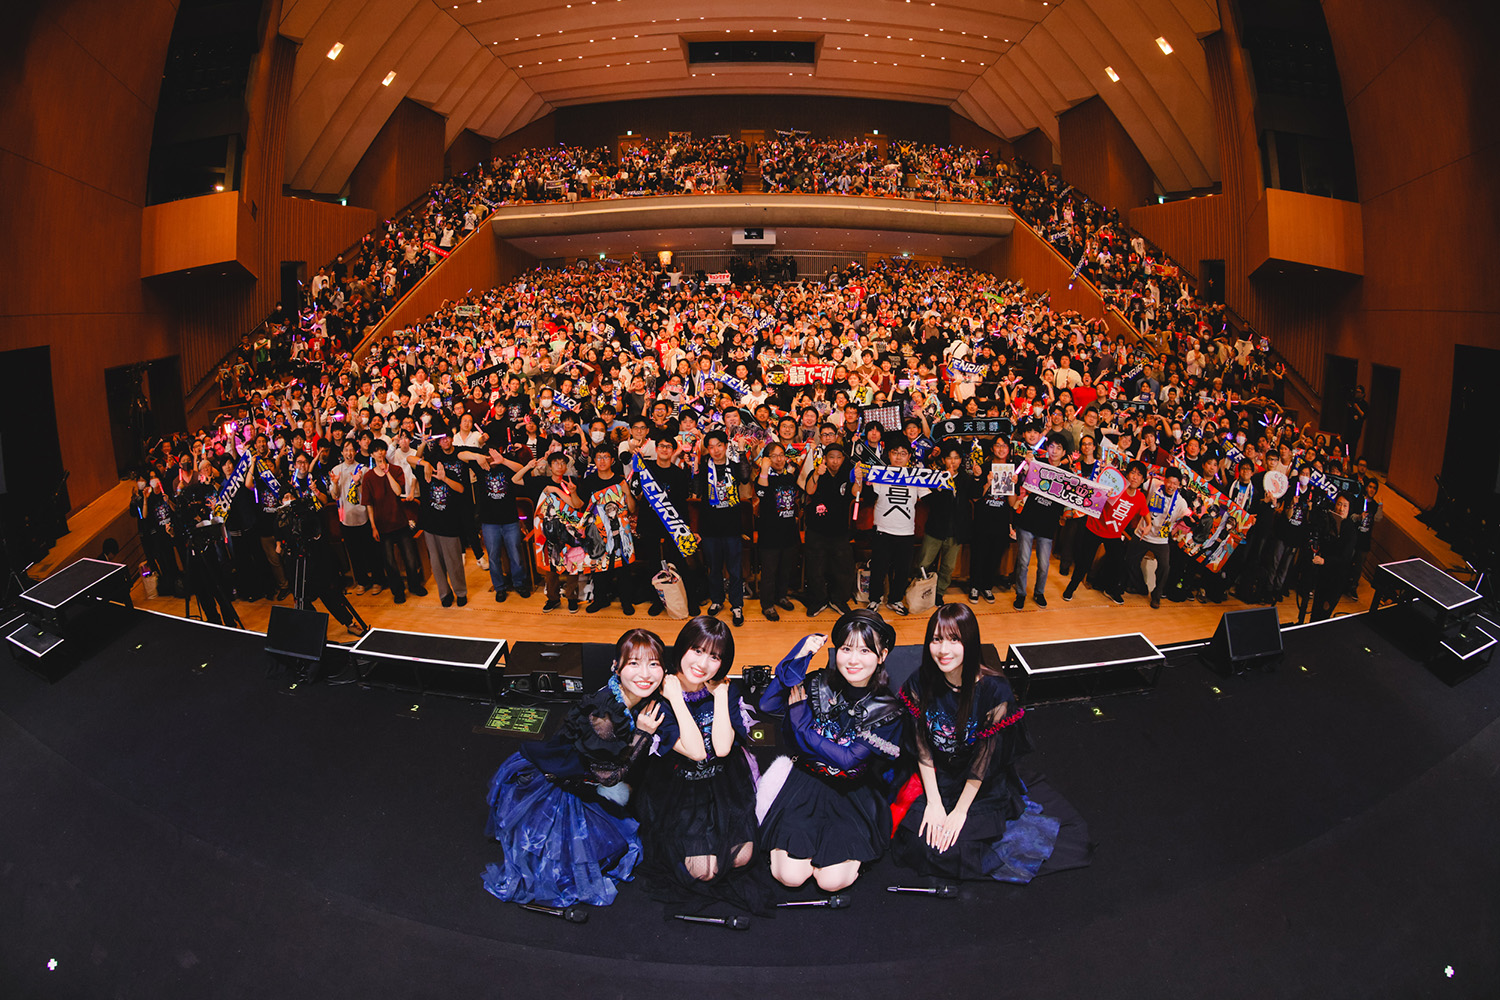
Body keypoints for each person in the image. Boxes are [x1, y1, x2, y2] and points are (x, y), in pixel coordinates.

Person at [892, 604, 1090, 882]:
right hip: (938, 775)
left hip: (978, 782)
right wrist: (934, 803)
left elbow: (983, 760)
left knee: (956, 846)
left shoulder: (995, 690)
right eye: (936, 639)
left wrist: (960, 811)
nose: (943, 650)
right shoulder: (920, 681)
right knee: (919, 839)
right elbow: (922, 747)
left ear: (970, 643)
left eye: (954, 639)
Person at [482, 628, 668, 907]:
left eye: (654, 664)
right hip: (562, 782)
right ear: (616, 667)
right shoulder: (604, 714)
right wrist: (641, 735)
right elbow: (608, 776)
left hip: (592, 776)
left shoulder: (636, 697)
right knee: (579, 861)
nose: (645, 674)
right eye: (634, 663)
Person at [757, 610, 905, 892]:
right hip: (806, 782)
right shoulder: (818, 683)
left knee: (831, 882)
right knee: (790, 876)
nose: (853, 659)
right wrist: (800, 655)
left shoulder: (888, 710)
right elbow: (768, 704)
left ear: (882, 655)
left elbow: (848, 760)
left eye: (864, 650)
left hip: (851, 792)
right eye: (846, 649)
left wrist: (803, 728)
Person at [633, 616, 762, 906]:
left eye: (715, 656)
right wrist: (677, 699)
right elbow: (696, 751)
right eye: (698, 650)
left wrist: (721, 695)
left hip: (721, 784)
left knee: (742, 857)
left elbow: (722, 748)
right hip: (680, 789)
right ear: (682, 647)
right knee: (704, 872)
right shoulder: (660, 693)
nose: (703, 664)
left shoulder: (722, 689)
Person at [694, 429, 751, 627]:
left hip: (732, 526)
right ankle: (717, 600)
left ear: (726, 446)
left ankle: (737, 605)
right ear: (707, 450)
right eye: (711, 447)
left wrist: (742, 451)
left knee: (735, 569)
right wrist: (694, 466)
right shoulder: (703, 467)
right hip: (710, 526)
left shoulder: (734, 465)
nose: (716, 450)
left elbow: (745, 477)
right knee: (714, 568)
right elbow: (696, 491)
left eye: (719, 445)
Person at [1012, 433, 1069, 610]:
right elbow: (1020, 476)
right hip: (1028, 520)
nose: (1054, 451)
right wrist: (1026, 463)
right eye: (1051, 446)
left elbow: (1073, 499)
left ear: (1064, 452)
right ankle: (1020, 594)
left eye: (1059, 448)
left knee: (1044, 565)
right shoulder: (1038, 464)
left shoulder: (1069, 475)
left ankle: (1039, 592)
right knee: (1023, 562)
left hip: (1048, 525)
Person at [799, 441, 855, 617]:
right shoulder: (817, 472)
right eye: (831, 457)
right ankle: (818, 600)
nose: (835, 461)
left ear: (843, 459)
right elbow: (809, 490)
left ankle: (838, 600)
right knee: (816, 567)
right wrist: (816, 473)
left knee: (842, 567)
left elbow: (855, 493)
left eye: (838, 457)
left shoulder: (848, 474)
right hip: (816, 529)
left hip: (840, 529)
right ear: (825, 458)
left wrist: (859, 479)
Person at [754, 442, 801, 621]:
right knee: (769, 572)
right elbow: (761, 492)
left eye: (781, 455)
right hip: (770, 533)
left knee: (785, 569)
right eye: (774, 456)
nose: (779, 459)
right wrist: (764, 468)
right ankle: (767, 605)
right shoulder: (763, 478)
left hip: (788, 531)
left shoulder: (789, 476)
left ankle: (781, 596)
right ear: (767, 459)